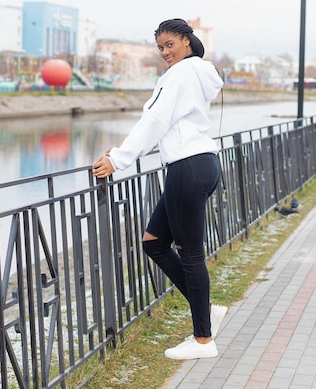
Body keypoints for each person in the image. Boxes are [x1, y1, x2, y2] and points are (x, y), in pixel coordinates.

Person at [92, 18, 228, 360]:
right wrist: (122, 151)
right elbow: (169, 129)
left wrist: (119, 159)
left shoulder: (180, 74)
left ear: (186, 41)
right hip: (200, 164)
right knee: (153, 242)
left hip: (188, 168)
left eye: (170, 44)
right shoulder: (198, 72)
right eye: (161, 47)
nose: (165, 52)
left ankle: (203, 340)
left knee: (191, 253)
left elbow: (153, 122)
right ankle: (206, 310)